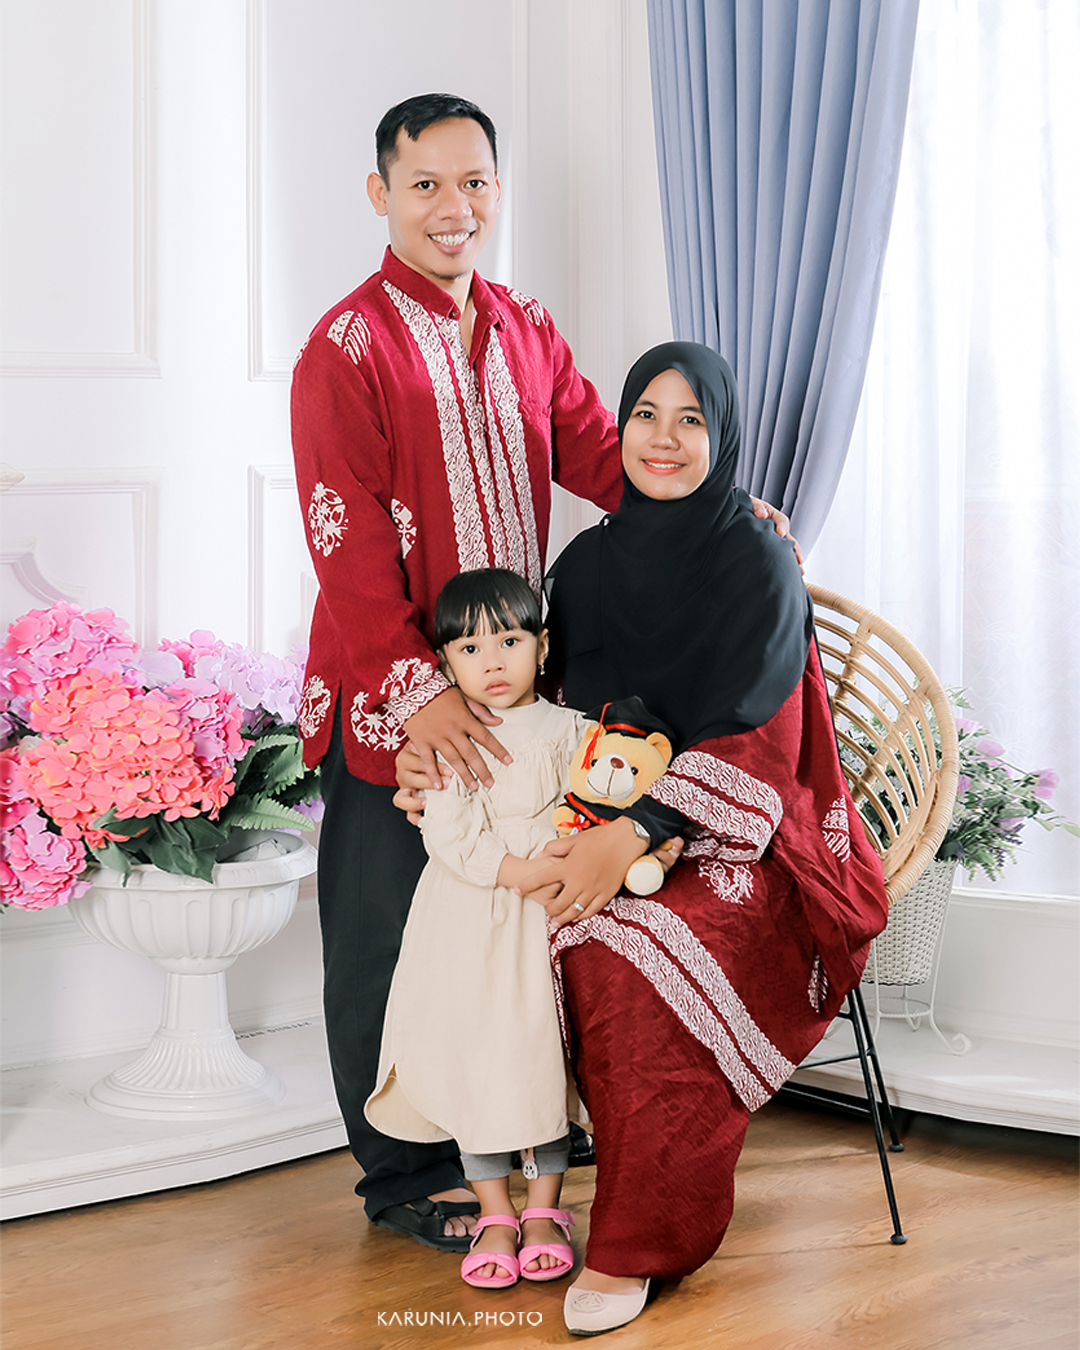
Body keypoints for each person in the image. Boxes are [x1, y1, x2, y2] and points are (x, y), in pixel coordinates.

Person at [292, 90, 793, 1254]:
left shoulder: (522, 326)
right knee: (390, 939)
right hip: (404, 703)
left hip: (524, 700)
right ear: (381, 196)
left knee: (509, 935)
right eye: (425, 185)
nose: (454, 208)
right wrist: (422, 696)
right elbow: (345, 540)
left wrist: (725, 514)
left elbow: (603, 452)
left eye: (475, 183)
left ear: (497, 193)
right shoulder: (347, 347)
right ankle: (405, 1173)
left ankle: (520, 1142)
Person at [534, 342, 890, 1334]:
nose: (664, 437)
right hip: (603, 807)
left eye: (691, 420)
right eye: (645, 413)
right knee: (494, 912)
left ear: (723, 436)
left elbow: (760, 737)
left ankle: (639, 1240)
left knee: (624, 954)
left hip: (746, 830)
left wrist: (642, 832)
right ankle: (507, 1193)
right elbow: (550, 702)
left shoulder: (757, 557)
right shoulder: (588, 565)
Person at [366, 568, 594, 1288]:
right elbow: (451, 835)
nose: (491, 661)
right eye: (468, 648)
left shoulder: (570, 729)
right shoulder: (450, 740)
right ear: (444, 664)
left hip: (545, 921)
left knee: (539, 1056)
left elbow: (603, 797)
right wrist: (523, 872)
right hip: (468, 915)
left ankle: (545, 1207)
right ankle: (495, 1208)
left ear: (542, 646)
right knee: (473, 1058)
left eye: (509, 639)